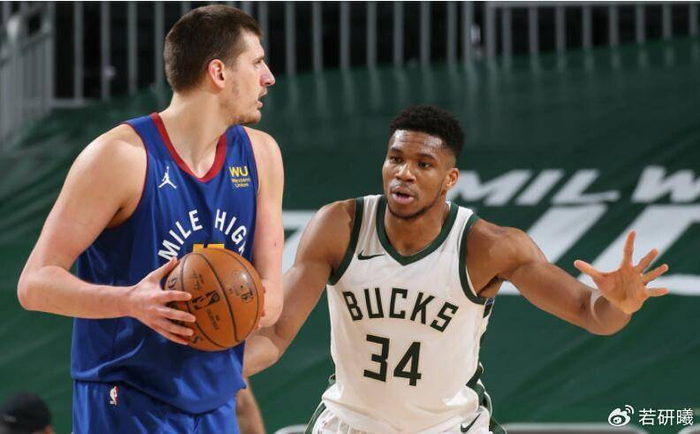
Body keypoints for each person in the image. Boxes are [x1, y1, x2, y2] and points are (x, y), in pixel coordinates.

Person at [243, 105, 669, 434]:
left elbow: (588, 312)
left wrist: (619, 304)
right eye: (395, 158)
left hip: (448, 427)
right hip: (350, 423)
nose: (404, 174)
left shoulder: (490, 247)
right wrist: (215, 369)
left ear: (450, 179)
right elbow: (276, 334)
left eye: (423, 164)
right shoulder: (340, 226)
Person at [17, 5, 283, 433]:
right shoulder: (120, 157)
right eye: (256, 63)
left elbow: (271, 299)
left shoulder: (262, 155)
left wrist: (240, 301)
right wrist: (130, 302)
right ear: (218, 73)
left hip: (215, 400)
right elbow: (34, 284)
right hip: (126, 398)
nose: (268, 77)